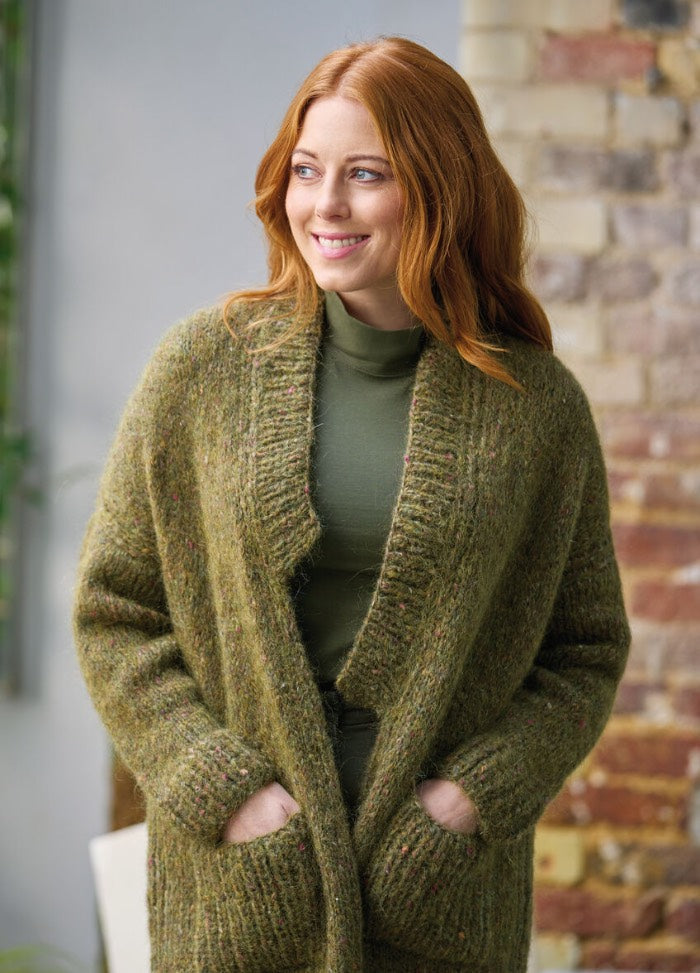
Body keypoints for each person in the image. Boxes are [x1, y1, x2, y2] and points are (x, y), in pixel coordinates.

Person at [73, 36, 630, 973]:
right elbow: (115, 612)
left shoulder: (534, 409)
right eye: (306, 170)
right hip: (243, 900)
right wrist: (222, 788)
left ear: (442, 186)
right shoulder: (204, 370)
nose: (324, 204)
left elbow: (584, 650)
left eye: (365, 174)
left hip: (437, 903)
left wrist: (470, 797)